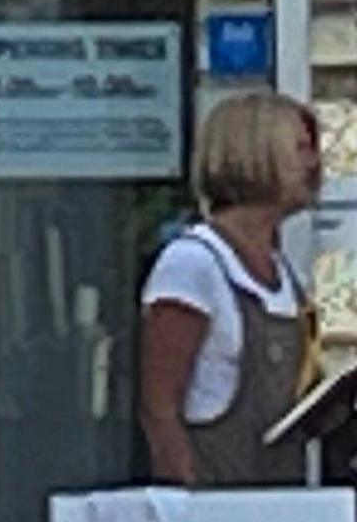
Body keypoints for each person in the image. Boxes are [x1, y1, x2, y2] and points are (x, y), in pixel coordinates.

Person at [136, 90, 326, 489]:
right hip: (215, 509)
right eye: (301, 149)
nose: (314, 164)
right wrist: (187, 502)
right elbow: (159, 407)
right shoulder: (193, 264)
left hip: (277, 510)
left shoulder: (282, 271)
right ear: (255, 153)